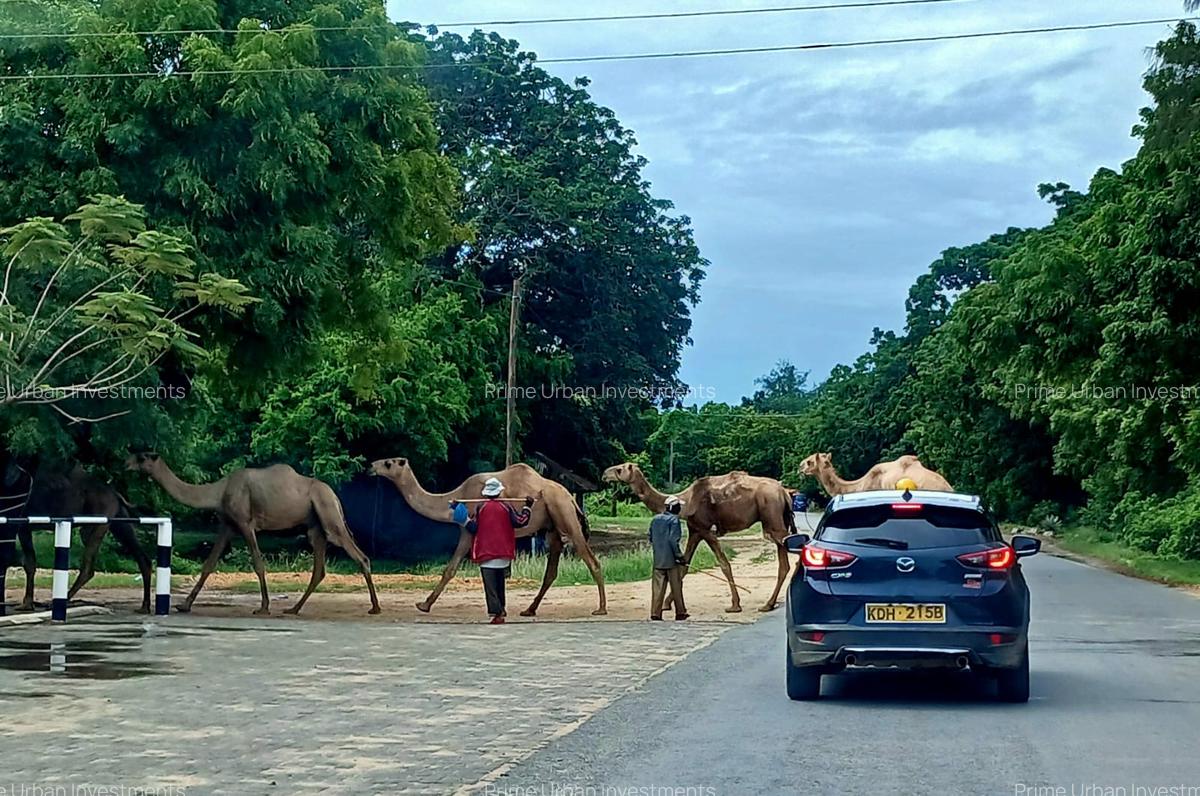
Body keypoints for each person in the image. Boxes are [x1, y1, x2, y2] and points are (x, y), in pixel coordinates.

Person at [454, 477, 532, 624]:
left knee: (490, 588)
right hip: (503, 553)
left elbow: (474, 528)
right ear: (499, 492)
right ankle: (501, 610)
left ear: (486, 493)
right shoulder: (507, 507)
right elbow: (521, 521)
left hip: (486, 553)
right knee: (499, 584)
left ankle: (497, 614)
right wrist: (527, 507)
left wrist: (462, 516)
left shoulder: (480, 508)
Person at [648, 495, 689, 621]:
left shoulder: (655, 519)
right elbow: (673, 540)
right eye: (678, 506)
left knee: (657, 588)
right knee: (676, 587)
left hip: (658, 559)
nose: (679, 509)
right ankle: (680, 612)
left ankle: (655, 613)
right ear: (674, 507)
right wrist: (679, 556)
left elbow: (650, 537)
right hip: (671, 561)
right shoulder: (674, 521)